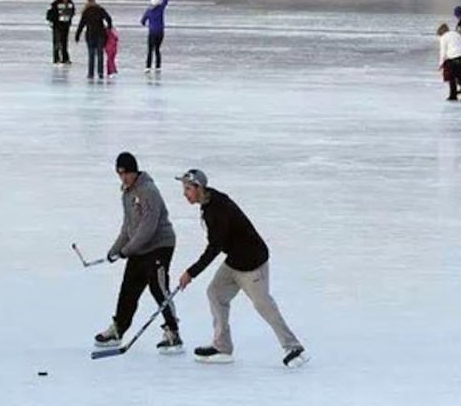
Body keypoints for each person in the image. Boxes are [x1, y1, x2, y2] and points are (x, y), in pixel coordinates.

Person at [176, 169, 307, 368]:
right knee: (215, 293)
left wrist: (191, 273)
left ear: (199, 188)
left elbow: (214, 247)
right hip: (235, 260)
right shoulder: (209, 204)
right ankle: (222, 347)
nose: (184, 194)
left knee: (263, 304)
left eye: (187, 189)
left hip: (252, 261)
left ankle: (293, 347)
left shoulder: (217, 208)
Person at [94, 152, 183, 354]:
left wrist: (127, 250)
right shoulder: (127, 194)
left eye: (126, 173)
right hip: (139, 247)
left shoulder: (148, 190)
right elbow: (128, 228)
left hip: (160, 245)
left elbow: (148, 227)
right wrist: (115, 250)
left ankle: (173, 332)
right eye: (120, 174)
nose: (123, 178)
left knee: (158, 287)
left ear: (134, 171)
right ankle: (118, 329)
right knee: (128, 288)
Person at [75, 0, 113, 79]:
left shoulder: (86, 11)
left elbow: (81, 25)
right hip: (101, 35)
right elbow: (108, 19)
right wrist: (109, 28)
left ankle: (90, 73)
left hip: (90, 35)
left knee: (91, 54)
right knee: (100, 54)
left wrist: (77, 36)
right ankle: (100, 73)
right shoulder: (100, 10)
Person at [436, 23, 461, 101]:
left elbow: (443, 51)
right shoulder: (455, 34)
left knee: (451, 76)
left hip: (455, 57)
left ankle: (453, 95)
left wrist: (441, 64)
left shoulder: (443, 37)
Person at [140, 0, 169, 72]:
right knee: (157, 49)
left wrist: (147, 24)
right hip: (160, 32)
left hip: (152, 32)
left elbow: (142, 21)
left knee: (150, 50)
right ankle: (158, 67)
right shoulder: (160, 9)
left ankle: (148, 67)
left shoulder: (149, 11)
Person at [46, 0, 76, 65]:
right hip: (57, 26)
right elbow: (49, 13)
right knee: (57, 42)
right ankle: (56, 59)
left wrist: (69, 18)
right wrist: (52, 21)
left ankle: (65, 59)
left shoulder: (70, 3)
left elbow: (73, 11)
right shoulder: (55, 3)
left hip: (66, 26)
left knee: (64, 43)